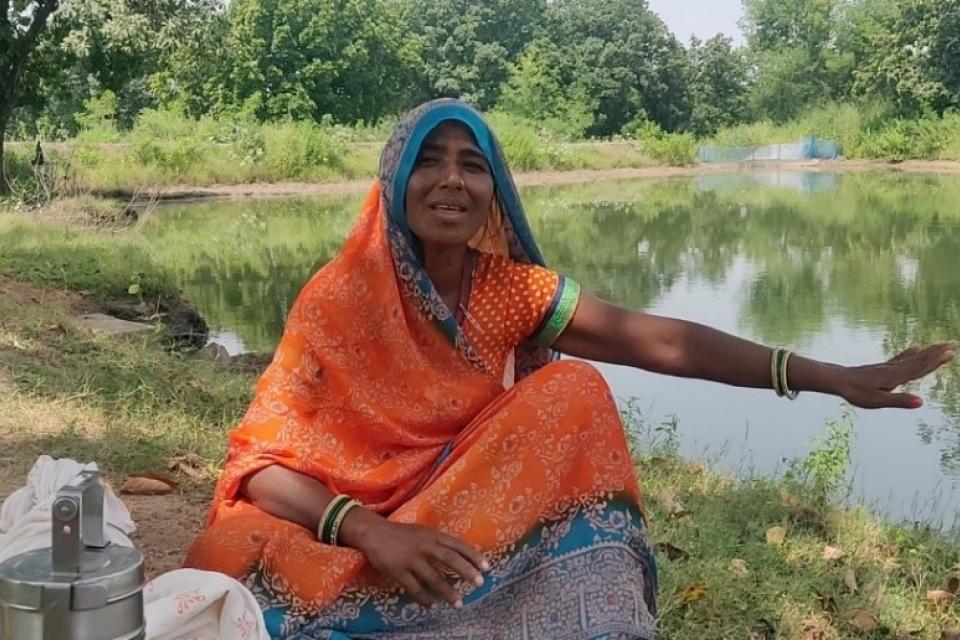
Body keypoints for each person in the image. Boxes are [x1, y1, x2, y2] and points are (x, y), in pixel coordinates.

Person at [184, 99, 956, 639]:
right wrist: (369, 531)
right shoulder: (337, 298)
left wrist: (830, 375)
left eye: (472, 165)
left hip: (449, 515)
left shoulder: (507, 288)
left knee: (572, 391)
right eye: (430, 162)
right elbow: (258, 469)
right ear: (394, 182)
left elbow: (659, 340)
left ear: (494, 191)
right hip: (343, 526)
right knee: (228, 556)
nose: (451, 180)